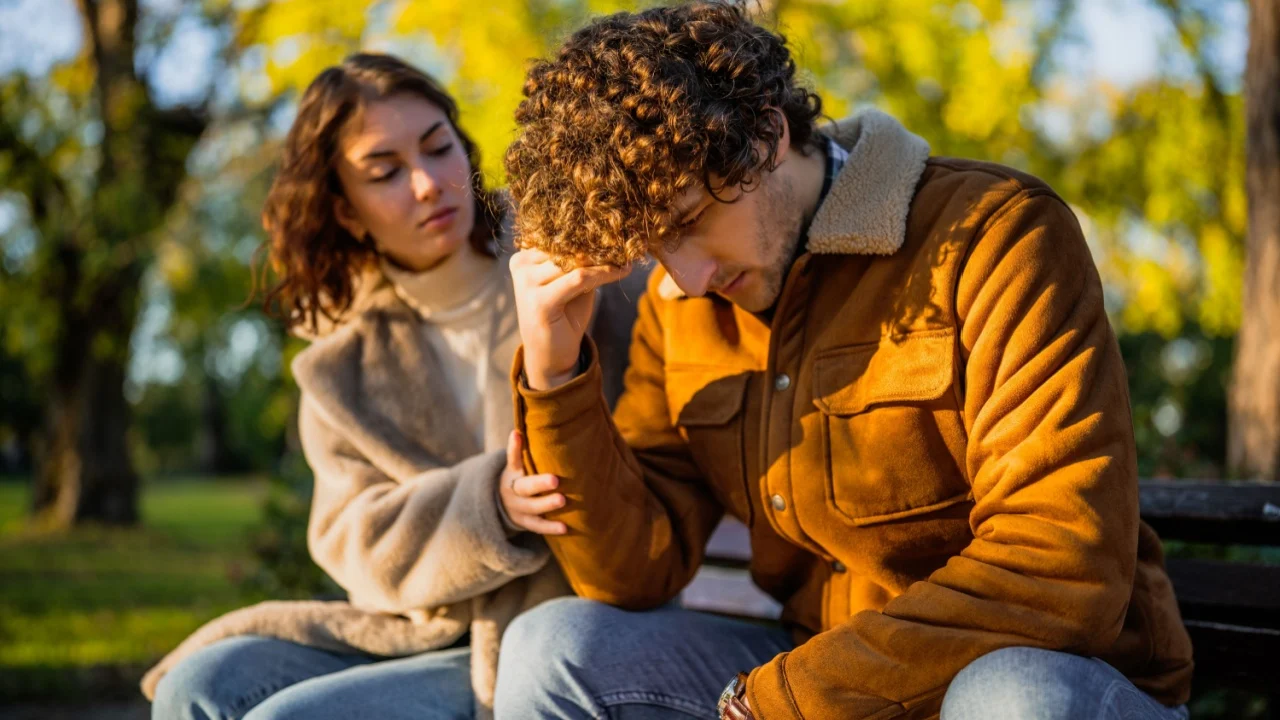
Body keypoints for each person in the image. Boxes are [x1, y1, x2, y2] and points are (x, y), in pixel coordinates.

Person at [494, 3, 1194, 719]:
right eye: (653, 248)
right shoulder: (680, 301)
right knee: (554, 648)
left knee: (1009, 699)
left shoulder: (995, 234)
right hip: (816, 680)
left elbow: (1059, 565)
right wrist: (554, 368)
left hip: (1050, 681)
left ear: (767, 134)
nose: (686, 278)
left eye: (689, 222)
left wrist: (784, 701)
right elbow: (634, 571)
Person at [143, 52, 639, 720]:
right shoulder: (340, 360)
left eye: (439, 150)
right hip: (418, 625)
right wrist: (487, 504)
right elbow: (355, 537)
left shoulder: (565, 268)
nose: (429, 184)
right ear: (347, 213)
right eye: (386, 173)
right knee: (195, 687)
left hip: (545, 624)